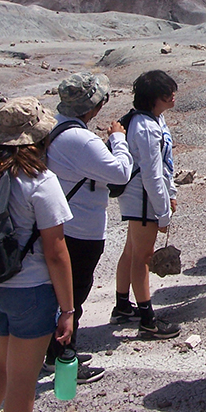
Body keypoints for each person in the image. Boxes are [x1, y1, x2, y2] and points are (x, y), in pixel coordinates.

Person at [0, 97, 75, 412]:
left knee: (0, 364)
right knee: (22, 382)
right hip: (31, 292)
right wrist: (69, 310)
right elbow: (56, 251)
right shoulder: (39, 180)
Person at [43, 72, 133, 384]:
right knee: (73, 298)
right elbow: (120, 173)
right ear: (91, 107)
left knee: (58, 294)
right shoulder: (80, 139)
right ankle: (64, 368)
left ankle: (50, 354)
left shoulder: (54, 126)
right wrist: (118, 139)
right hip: (80, 229)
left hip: (57, 223)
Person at [113, 70, 181, 339]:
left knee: (131, 251)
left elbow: (164, 167)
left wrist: (171, 191)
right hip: (143, 200)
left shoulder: (152, 120)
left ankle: (122, 306)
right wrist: (163, 212)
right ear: (156, 98)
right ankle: (147, 320)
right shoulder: (146, 127)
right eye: (168, 92)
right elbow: (152, 174)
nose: (174, 96)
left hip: (140, 198)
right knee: (143, 257)